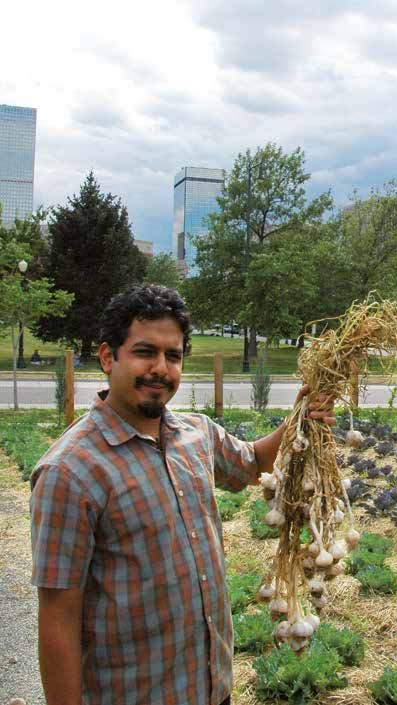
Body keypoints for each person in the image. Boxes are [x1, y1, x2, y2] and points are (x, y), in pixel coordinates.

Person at [30, 285, 335, 705]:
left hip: (210, 689)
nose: (160, 368)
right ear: (107, 357)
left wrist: (301, 416)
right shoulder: (70, 471)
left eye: (172, 356)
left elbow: (254, 462)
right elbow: (58, 618)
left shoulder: (196, 434)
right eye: (144, 352)